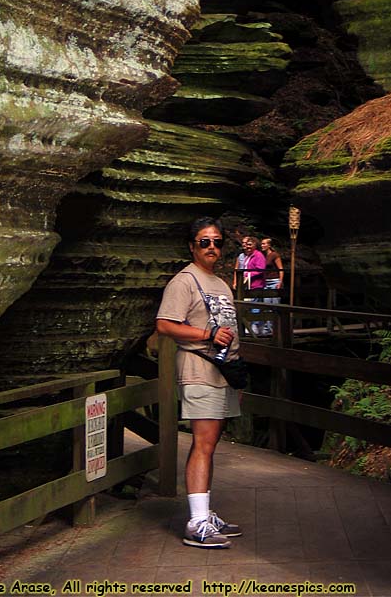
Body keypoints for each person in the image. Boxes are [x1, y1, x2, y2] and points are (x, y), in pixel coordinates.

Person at [156, 217, 242, 549]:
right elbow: (165, 324)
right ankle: (196, 523)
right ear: (192, 246)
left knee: (210, 443)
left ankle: (204, 512)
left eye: (217, 241)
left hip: (223, 371)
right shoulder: (184, 281)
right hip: (198, 368)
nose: (211, 247)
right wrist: (207, 334)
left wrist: (238, 376)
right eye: (204, 241)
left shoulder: (220, 283)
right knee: (203, 444)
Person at [261, 238, 284, 336]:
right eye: (261, 244)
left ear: (269, 245)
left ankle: (276, 329)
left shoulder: (274, 255)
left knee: (275, 305)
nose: (262, 245)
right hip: (266, 282)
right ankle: (267, 329)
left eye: (264, 244)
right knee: (266, 305)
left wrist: (280, 281)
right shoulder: (263, 256)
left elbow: (281, 269)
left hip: (274, 281)